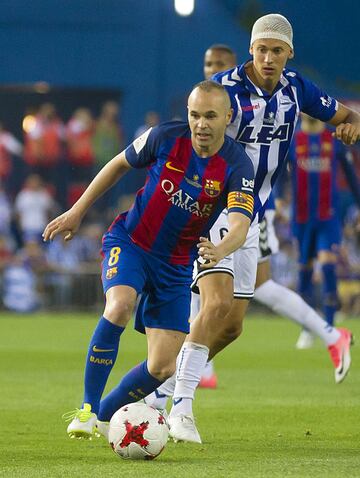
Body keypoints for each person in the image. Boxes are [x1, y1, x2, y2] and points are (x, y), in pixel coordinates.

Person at [146, 14, 359, 444]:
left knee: (231, 325)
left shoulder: (297, 90)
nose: (267, 57)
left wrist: (351, 125)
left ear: (288, 54)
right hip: (215, 204)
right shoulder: (226, 90)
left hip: (253, 212)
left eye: (276, 50)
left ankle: (160, 393)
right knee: (216, 302)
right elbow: (196, 135)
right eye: (261, 49)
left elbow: (344, 113)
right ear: (251, 49)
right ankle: (181, 407)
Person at [43, 80, 256, 439]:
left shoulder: (238, 166)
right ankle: (86, 410)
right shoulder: (165, 137)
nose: (201, 124)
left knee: (162, 366)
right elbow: (117, 165)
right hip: (131, 243)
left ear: (227, 117)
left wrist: (220, 251)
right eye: (194, 115)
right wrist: (77, 212)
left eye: (210, 116)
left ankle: (103, 417)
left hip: (175, 266)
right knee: (120, 305)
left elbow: (240, 223)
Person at [282, 114, 360, 348]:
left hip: (328, 218)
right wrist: (276, 200)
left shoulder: (333, 140)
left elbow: (351, 177)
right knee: (304, 270)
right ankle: (307, 327)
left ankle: (328, 325)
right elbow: (277, 176)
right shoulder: (293, 141)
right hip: (302, 219)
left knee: (327, 265)